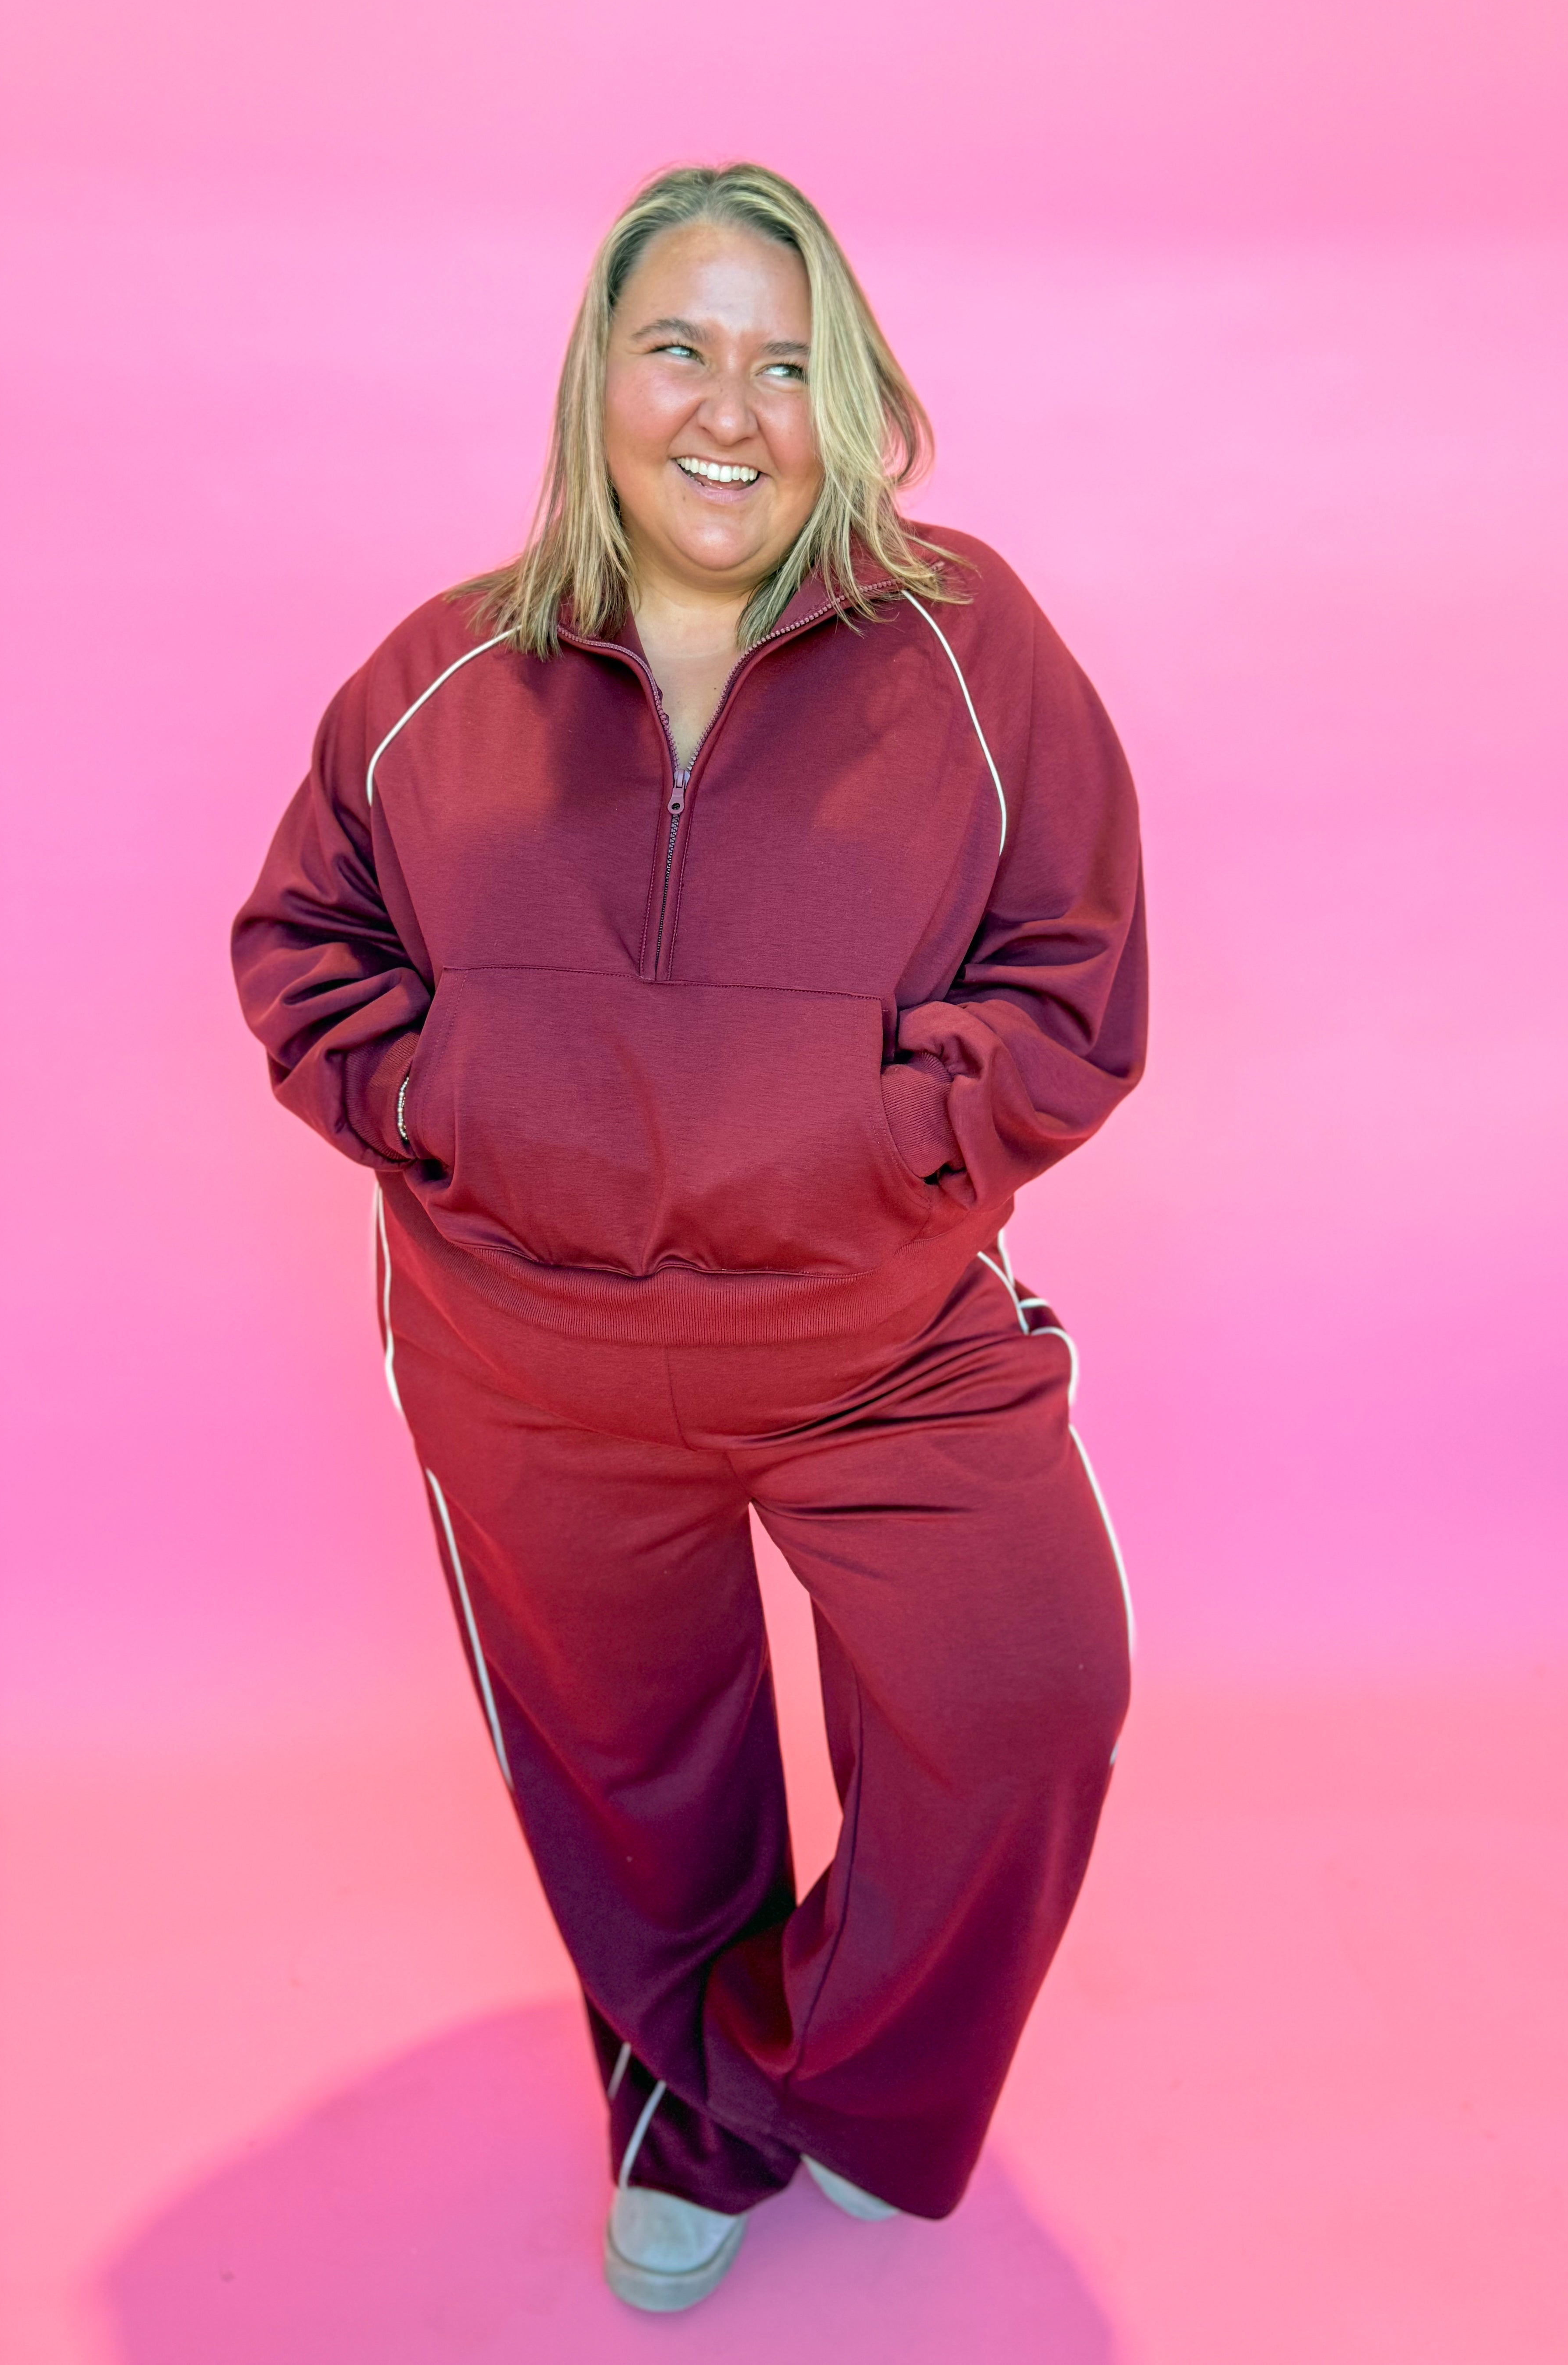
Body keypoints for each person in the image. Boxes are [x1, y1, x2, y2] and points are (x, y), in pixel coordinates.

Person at [233, 162, 1147, 2313]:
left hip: (875, 1333)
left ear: (848, 400)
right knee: (636, 1794)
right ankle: (692, 2125)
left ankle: (814, 2077)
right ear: (599, 380)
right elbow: (303, 950)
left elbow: (1070, 975)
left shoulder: (968, 645)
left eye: (785, 361)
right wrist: (451, 1109)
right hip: (529, 1359)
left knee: (1025, 1702)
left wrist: (887, 1145)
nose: (729, 408)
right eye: (679, 347)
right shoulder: (439, 676)